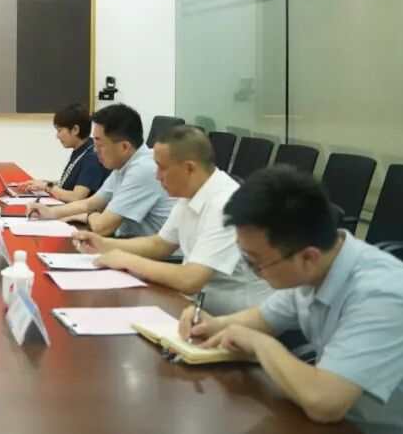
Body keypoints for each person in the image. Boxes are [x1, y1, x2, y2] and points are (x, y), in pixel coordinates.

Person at [179, 167, 403, 432]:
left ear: (308, 258)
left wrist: (260, 344)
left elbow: (324, 403)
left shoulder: (383, 295)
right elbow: (263, 318)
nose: (251, 270)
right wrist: (213, 324)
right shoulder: (318, 264)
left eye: (255, 262)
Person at [71, 125, 272, 315]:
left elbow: (190, 279)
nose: (157, 176)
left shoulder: (224, 205)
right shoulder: (191, 193)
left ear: (189, 168)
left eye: (162, 168)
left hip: (235, 321)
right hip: (195, 309)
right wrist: (104, 244)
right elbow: (159, 245)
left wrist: (127, 260)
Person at [29, 103, 174, 237]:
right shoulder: (124, 164)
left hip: (151, 254)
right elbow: (91, 203)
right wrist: (50, 212)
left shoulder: (142, 169)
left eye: (100, 144)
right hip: (129, 244)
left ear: (124, 147)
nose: (94, 150)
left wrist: (89, 215)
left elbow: (102, 227)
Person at [16, 102, 110, 202]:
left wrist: (47, 187)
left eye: (59, 130)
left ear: (75, 130)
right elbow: (68, 184)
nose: (57, 136)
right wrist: (41, 183)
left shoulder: (92, 157)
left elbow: (76, 197)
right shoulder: (81, 149)